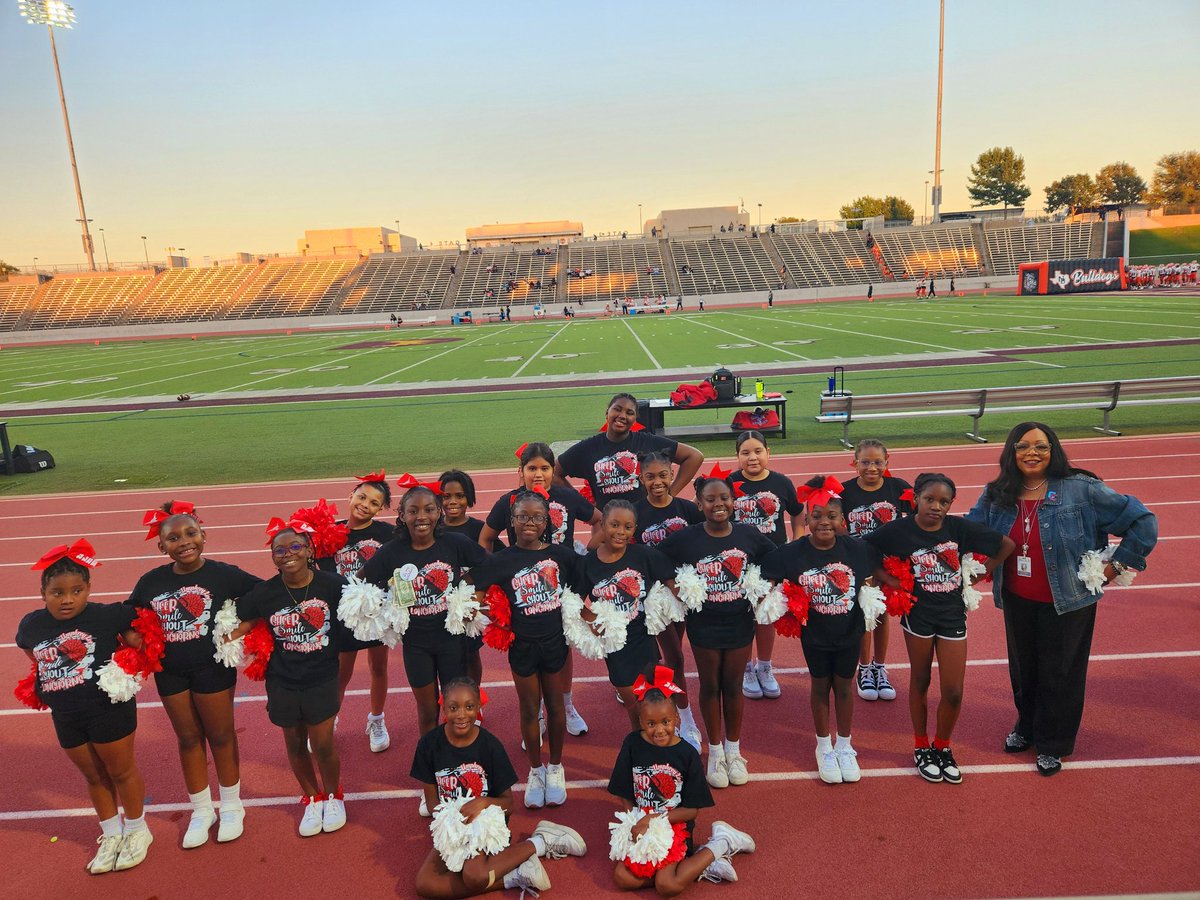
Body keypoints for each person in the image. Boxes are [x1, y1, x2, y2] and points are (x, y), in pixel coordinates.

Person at [966, 422, 1157, 776]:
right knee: (1024, 669)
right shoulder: (997, 492)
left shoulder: (1082, 489)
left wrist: (1114, 567)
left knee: (1060, 672)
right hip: (1017, 596)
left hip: (1069, 599)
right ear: (1011, 452)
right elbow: (970, 530)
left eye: (1041, 446)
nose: (1031, 453)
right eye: (1022, 446)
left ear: (1053, 450)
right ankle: (1026, 727)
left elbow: (1143, 522)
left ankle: (1053, 743)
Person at [865, 473, 1013, 785]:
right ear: (915, 498)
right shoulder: (898, 531)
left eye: (944, 502)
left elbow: (1006, 545)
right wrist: (892, 581)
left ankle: (943, 747)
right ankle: (921, 745)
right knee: (920, 681)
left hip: (952, 615)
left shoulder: (958, 528)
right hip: (917, 616)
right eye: (930, 499)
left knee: (954, 691)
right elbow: (864, 552)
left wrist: (980, 575)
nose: (936, 506)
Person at [16, 540, 154, 873]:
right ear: (42, 591)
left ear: (88, 589)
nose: (67, 599)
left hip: (107, 709)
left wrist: (132, 650)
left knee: (121, 771)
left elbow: (145, 624)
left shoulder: (107, 616)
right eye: (57, 592)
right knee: (93, 776)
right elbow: (31, 652)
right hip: (65, 714)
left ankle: (137, 831)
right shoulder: (32, 624)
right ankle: (111, 833)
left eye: (76, 591)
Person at [127, 502, 260, 847]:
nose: (183, 542)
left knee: (221, 735)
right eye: (173, 538)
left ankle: (231, 806)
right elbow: (128, 620)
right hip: (170, 673)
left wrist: (239, 629)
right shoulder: (150, 582)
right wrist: (137, 641)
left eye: (190, 533)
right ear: (161, 546)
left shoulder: (223, 574)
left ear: (204, 536)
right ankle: (202, 810)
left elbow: (264, 597)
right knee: (187, 739)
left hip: (211, 667)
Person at [360, 485, 486, 809]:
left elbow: (488, 567)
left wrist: (470, 594)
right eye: (413, 511)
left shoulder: (454, 543)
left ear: (439, 511)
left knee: (456, 708)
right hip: (416, 646)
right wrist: (384, 610)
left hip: (451, 642)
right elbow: (361, 582)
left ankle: (461, 773)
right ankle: (431, 781)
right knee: (427, 712)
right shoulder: (391, 552)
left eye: (429, 509)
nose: (422, 517)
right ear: (401, 516)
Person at [411, 677, 587, 898]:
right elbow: (432, 802)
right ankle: (515, 875)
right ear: (443, 707)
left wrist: (484, 803)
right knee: (425, 884)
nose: (461, 715)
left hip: (486, 825)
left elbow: (508, 804)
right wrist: (453, 825)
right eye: (453, 708)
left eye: (469, 707)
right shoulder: (428, 745)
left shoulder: (490, 746)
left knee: (474, 875)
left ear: (479, 708)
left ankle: (540, 842)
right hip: (453, 827)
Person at [762, 477, 883, 784]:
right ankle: (823, 746)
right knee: (819, 687)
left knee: (844, 686)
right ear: (806, 519)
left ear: (842, 520)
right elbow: (764, 574)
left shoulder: (858, 550)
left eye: (831, 516)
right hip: (814, 635)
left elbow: (875, 576)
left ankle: (844, 744)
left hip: (849, 631)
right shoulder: (791, 554)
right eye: (816, 516)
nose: (824, 522)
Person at [657, 477, 776, 789]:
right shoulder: (687, 539)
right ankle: (715, 751)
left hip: (739, 622)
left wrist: (767, 589)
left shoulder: (750, 535)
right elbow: (657, 559)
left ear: (733, 501)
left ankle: (734, 752)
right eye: (710, 499)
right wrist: (674, 586)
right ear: (699, 504)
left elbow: (777, 559)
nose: (718, 504)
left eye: (724, 498)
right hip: (703, 624)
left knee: (733, 686)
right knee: (710, 686)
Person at [232, 521, 350, 836]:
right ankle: (312, 799)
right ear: (272, 557)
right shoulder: (265, 593)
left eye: (295, 547)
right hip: (282, 679)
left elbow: (359, 614)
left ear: (310, 550)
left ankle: (333, 796)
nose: (288, 555)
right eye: (279, 550)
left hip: (322, 676)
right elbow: (238, 620)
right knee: (295, 743)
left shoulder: (333, 585)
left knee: (322, 744)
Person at [472, 490, 582, 809]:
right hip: (521, 646)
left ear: (546, 521)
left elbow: (586, 579)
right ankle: (536, 770)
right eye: (522, 517)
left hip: (554, 644)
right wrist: (491, 615)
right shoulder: (501, 560)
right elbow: (474, 592)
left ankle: (557, 767)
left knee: (556, 706)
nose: (529, 523)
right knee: (529, 708)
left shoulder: (562, 555)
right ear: (512, 521)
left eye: (536, 517)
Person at [483, 443, 599, 736]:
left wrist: (586, 556)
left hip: (562, 582)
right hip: (526, 585)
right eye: (532, 468)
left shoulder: (567, 496)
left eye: (545, 468)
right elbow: (486, 538)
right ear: (520, 472)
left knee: (563, 642)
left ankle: (567, 704)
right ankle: (536, 715)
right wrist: (497, 575)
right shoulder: (508, 501)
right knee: (526, 644)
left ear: (552, 471)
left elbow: (599, 521)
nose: (538, 474)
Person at [608, 674, 755, 892]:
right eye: (651, 723)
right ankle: (694, 869)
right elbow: (625, 793)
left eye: (666, 722)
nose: (659, 730)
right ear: (640, 722)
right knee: (622, 878)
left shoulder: (687, 754)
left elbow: (691, 811)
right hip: (642, 824)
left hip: (674, 826)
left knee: (667, 886)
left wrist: (653, 820)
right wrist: (634, 821)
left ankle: (721, 843)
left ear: (677, 719)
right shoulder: (632, 744)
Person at [577, 500, 678, 730]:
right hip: (615, 646)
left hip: (643, 638)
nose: (621, 532)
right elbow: (573, 600)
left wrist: (679, 593)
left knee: (651, 697)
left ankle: (662, 736)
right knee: (631, 702)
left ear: (634, 528)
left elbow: (671, 576)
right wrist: (591, 618)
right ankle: (639, 738)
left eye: (628, 527)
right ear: (602, 524)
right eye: (614, 525)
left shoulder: (644, 556)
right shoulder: (587, 564)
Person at [318, 473, 395, 753]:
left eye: (374, 503)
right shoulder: (329, 533)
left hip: (376, 613)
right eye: (362, 497)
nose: (365, 505)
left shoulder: (388, 535)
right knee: (341, 672)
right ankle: (329, 720)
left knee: (379, 667)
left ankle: (376, 719)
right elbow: (322, 575)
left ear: (380, 509)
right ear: (351, 495)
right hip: (344, 615)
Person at [726, 431, 804, 702]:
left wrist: (797, 540)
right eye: (745, 452)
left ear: (768, 453)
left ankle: (765, 666)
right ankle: (747, 668)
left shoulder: (781, 482)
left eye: (758, 450)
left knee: (766, 614)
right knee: (744, 615)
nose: (752, 457)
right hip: (739, 562)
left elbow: (797, 511)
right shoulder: (730, 482)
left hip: (773, 559)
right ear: (737, 457)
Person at [633, 451, 704, 747]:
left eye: (663, 475)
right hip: (653, 598)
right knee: (674, 656)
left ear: (672, 476)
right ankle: (684, 718)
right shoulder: (635, 512)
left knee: (664, 658)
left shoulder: (687, 510)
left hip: (683, 593)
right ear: (640, 478)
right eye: (650, 476)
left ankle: (657, 703)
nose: (657, 482)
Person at [838, 439, 913, 704]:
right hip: (859, 563)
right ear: (855, 462)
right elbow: (834, 522)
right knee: (864, 617)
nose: (872, 467)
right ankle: (864, 668)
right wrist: (853, 545)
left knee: (881, 617)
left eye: (878, 462)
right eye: (865, 462)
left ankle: (880, 667)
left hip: (889, 564)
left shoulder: (899, 488)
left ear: (887, 462)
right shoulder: (844, 491)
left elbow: (919, 518)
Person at [556, 393, 704, 513]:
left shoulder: (647, 442)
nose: (622, 415)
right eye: (617, 409)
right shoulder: (588, 447)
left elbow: (694, 456)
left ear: (634, 420)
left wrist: (670, 493)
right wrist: (582, 504)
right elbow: (554, 472)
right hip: (609, 526)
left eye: (629, 412)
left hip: (645, 519)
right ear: (607, 412)